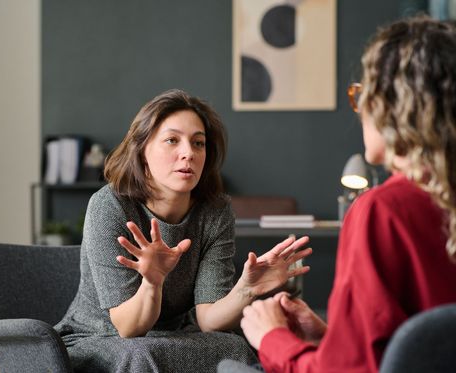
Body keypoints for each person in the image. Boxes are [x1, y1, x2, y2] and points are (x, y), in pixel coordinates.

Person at [233, 16, 456, 373]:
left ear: (388, 106)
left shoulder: (382, 211)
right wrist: (332, 336)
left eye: (360, 94)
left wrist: (271, 337)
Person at [54, 89, 312, 372]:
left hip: (177, 333)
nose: (188, 153)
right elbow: (129, 328)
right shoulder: (110, 206)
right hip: (102, 335)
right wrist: (153, 282)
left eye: (198, 143)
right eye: (172, 140)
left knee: (235, 347)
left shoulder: (215, 211)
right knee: (143, 354)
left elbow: (208, 318)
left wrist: (246, 290)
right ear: (142, 152)